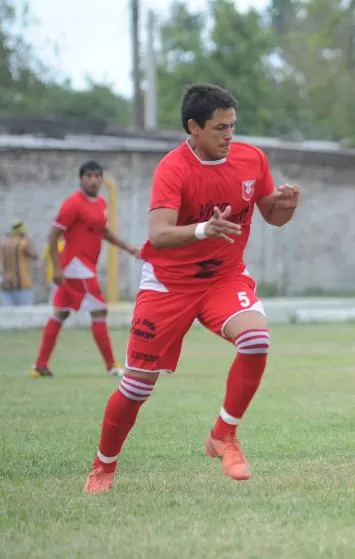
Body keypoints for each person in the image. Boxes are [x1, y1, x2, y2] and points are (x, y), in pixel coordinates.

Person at [83, 83, 301, 494]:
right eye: (219, 128)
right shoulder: (173, 168)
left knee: (255, 340)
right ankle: (102, 467)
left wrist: (286, 205)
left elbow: (271, 215)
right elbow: (159, 234)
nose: (229, 135)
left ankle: (224, 434)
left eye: (233, 126)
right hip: (169, 284)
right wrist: (204, 228)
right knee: (136, 387)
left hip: (224, 278)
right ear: (193, 127)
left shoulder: (252, 159)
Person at [31, 161, 141, 378]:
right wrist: (56, 268)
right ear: (81, 179)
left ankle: (40, 365)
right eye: (89, 176)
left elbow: (104, 232)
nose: (93, 180)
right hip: (76, 266)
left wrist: (128, 248)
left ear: (102, 179)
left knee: (60, 314)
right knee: (99, 311)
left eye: (97, 176)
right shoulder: (73, 204)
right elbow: (53, 235)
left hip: (82, 267)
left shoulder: (100, 203)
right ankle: (111, 366)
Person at [1, 219, 38, 306]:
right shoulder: (24, 243)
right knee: (26, 313)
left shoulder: (3, 243)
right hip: (23, 284)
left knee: (7, 316)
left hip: (6, 284)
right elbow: (35, 255)